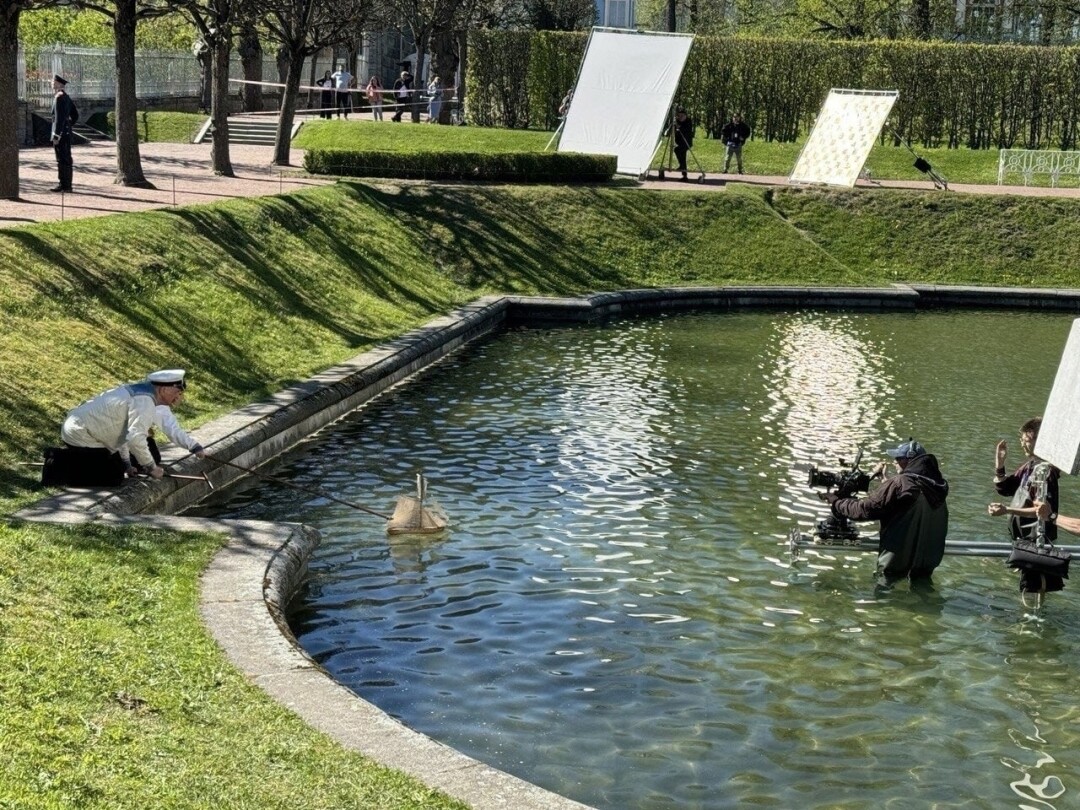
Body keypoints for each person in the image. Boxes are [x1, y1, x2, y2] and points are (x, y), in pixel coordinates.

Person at [822, 439, 950, 587]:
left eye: (898, 458)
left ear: (909, 461)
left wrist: (837, 502)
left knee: (884, 601)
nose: (894, 461)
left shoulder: (898, 483)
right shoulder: (937, 486)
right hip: (926, 563)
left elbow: (864, 510)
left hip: (895, 563)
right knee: (923, 591)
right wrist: (884, 479)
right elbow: (907, 498)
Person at [43, 370, 193, 487]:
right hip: (80, 433)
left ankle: (76, 459)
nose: (179, 397)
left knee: (117, 469)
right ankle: (56, 461)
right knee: (113, 477)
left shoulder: (144, 394)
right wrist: (151, 467)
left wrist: (127, 464)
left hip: (91, 433)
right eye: (178, 392)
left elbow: (122, 433)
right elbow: (135, 438)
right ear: (163, 389)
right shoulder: (145, 401)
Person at [988, 416, 1062, 593]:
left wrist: (1006, 509)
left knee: (1031, 590)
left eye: (1026, 440)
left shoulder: (1046, 472)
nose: (1022, 444)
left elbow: (1042, 512)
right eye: (1021, 440)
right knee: (1024, 588)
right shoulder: (1029, 466)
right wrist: (1000, 464)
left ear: (1040, 440)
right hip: (1023, 539)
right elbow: (1006, 488)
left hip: (1037, 540)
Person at [50, 74, 75, 193]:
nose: (51, 83)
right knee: (66, 159)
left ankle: (65, 185)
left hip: (60, 134)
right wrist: (69, 126)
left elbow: (59, 119)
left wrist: (56, 135)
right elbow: (75, 115)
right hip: (66, 133)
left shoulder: (59, 97)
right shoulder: (67, 97)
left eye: (53, 82)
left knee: (62, 159)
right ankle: (66, 184)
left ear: (59, 84)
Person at [671, 107, 694, 181]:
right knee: (682, 156)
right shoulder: (677, 121)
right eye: (679, 115)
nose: (680, 117)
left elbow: (686, 130)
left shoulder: (688, 121)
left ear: (685, 115)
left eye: (682, 116)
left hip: (686, 143)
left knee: (677, 150)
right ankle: (684, 174)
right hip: (680, 142)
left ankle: (683, 169)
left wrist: (679, 127)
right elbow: (674, 130)